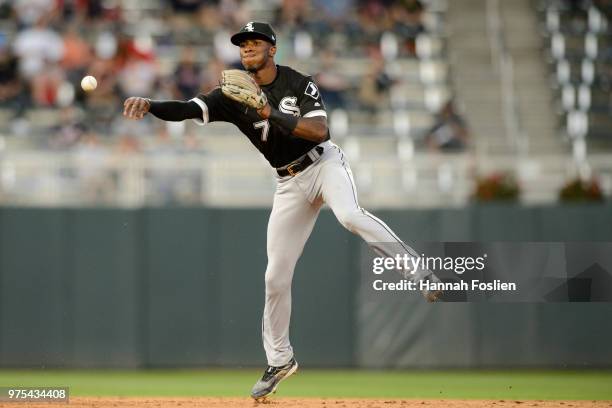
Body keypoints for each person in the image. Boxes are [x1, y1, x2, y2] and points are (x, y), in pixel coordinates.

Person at [123, 21, 442, 401]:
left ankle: (418, 270)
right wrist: (152, 105)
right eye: (242, 44)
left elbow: (320, 131)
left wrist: (267, 111)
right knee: (275, 276)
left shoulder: (296, 82)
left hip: (323, 165)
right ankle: (279, 360)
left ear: (272, 49)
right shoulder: (231, 94)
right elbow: (186, 109)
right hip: (288, 183)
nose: (246, 49)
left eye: (254, 43)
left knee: (349, 215)